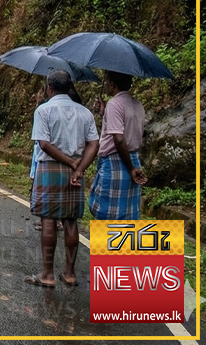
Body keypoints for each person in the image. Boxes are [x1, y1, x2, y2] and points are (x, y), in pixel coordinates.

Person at [28, 69, 98, 288]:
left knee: (48, 219)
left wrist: (69, 162)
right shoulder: (85, 112)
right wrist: (78, 168)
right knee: (70, 221)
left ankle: (47, 274)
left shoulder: (43, 111)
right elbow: (94, 143)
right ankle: (69, 273)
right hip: (76, 169)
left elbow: (44, 144)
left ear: (49, 88)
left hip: (50, 168)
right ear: (69, 88)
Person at [88, 70, 148, 220]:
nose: (106, 84)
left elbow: (119, 139)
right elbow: (127, 128)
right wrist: (104, 113)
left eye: (107, 81)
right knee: (126, 213)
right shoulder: (137, 104)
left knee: (108, 213)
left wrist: (130, 168)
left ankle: (108, 243)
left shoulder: (114, 104)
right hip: (133, 158)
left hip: (117, 161)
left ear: (112, 83)